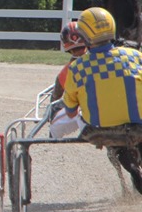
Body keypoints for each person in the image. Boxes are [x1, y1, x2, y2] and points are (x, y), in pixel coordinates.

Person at [55, 7, 142, 137]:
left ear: (84, 36)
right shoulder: (136, 56)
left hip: (95, 129)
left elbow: (71, 112)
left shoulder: (76, 67)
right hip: (137, 126)